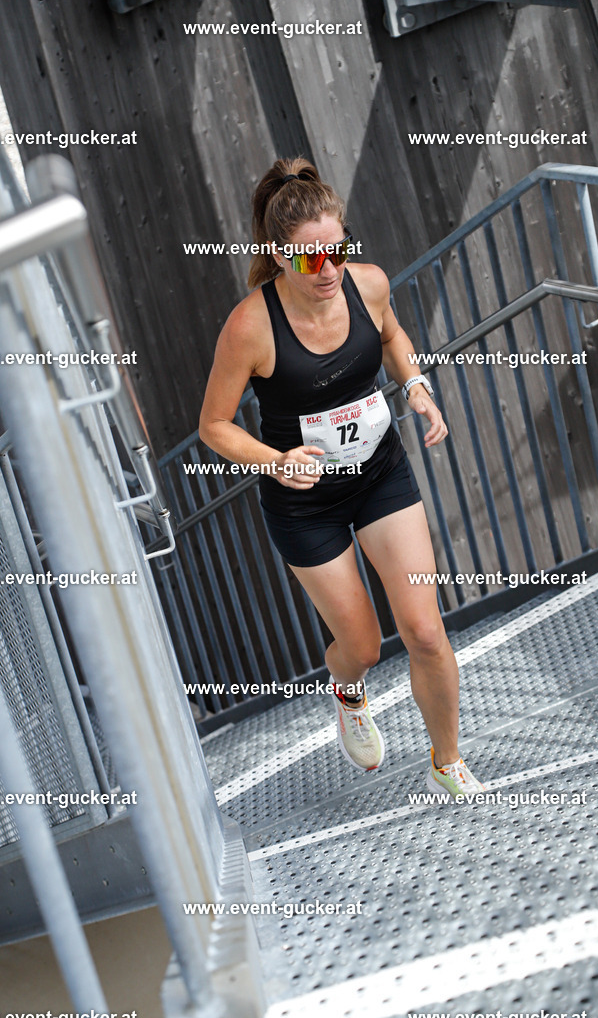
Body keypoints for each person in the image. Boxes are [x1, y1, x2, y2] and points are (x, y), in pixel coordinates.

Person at [198, 157, 483, 799]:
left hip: (380, 476)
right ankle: (348, 690)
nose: (327, 271)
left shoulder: (368, 283)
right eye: (307, 260)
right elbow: (214, 427)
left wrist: (415, 385)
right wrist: (275, 461)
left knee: (426, 632)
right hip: (306, 506)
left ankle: (446, 763)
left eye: (337, 251)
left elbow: (391, 334)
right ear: (277, 258)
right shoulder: (250, 326)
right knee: (361, 646)